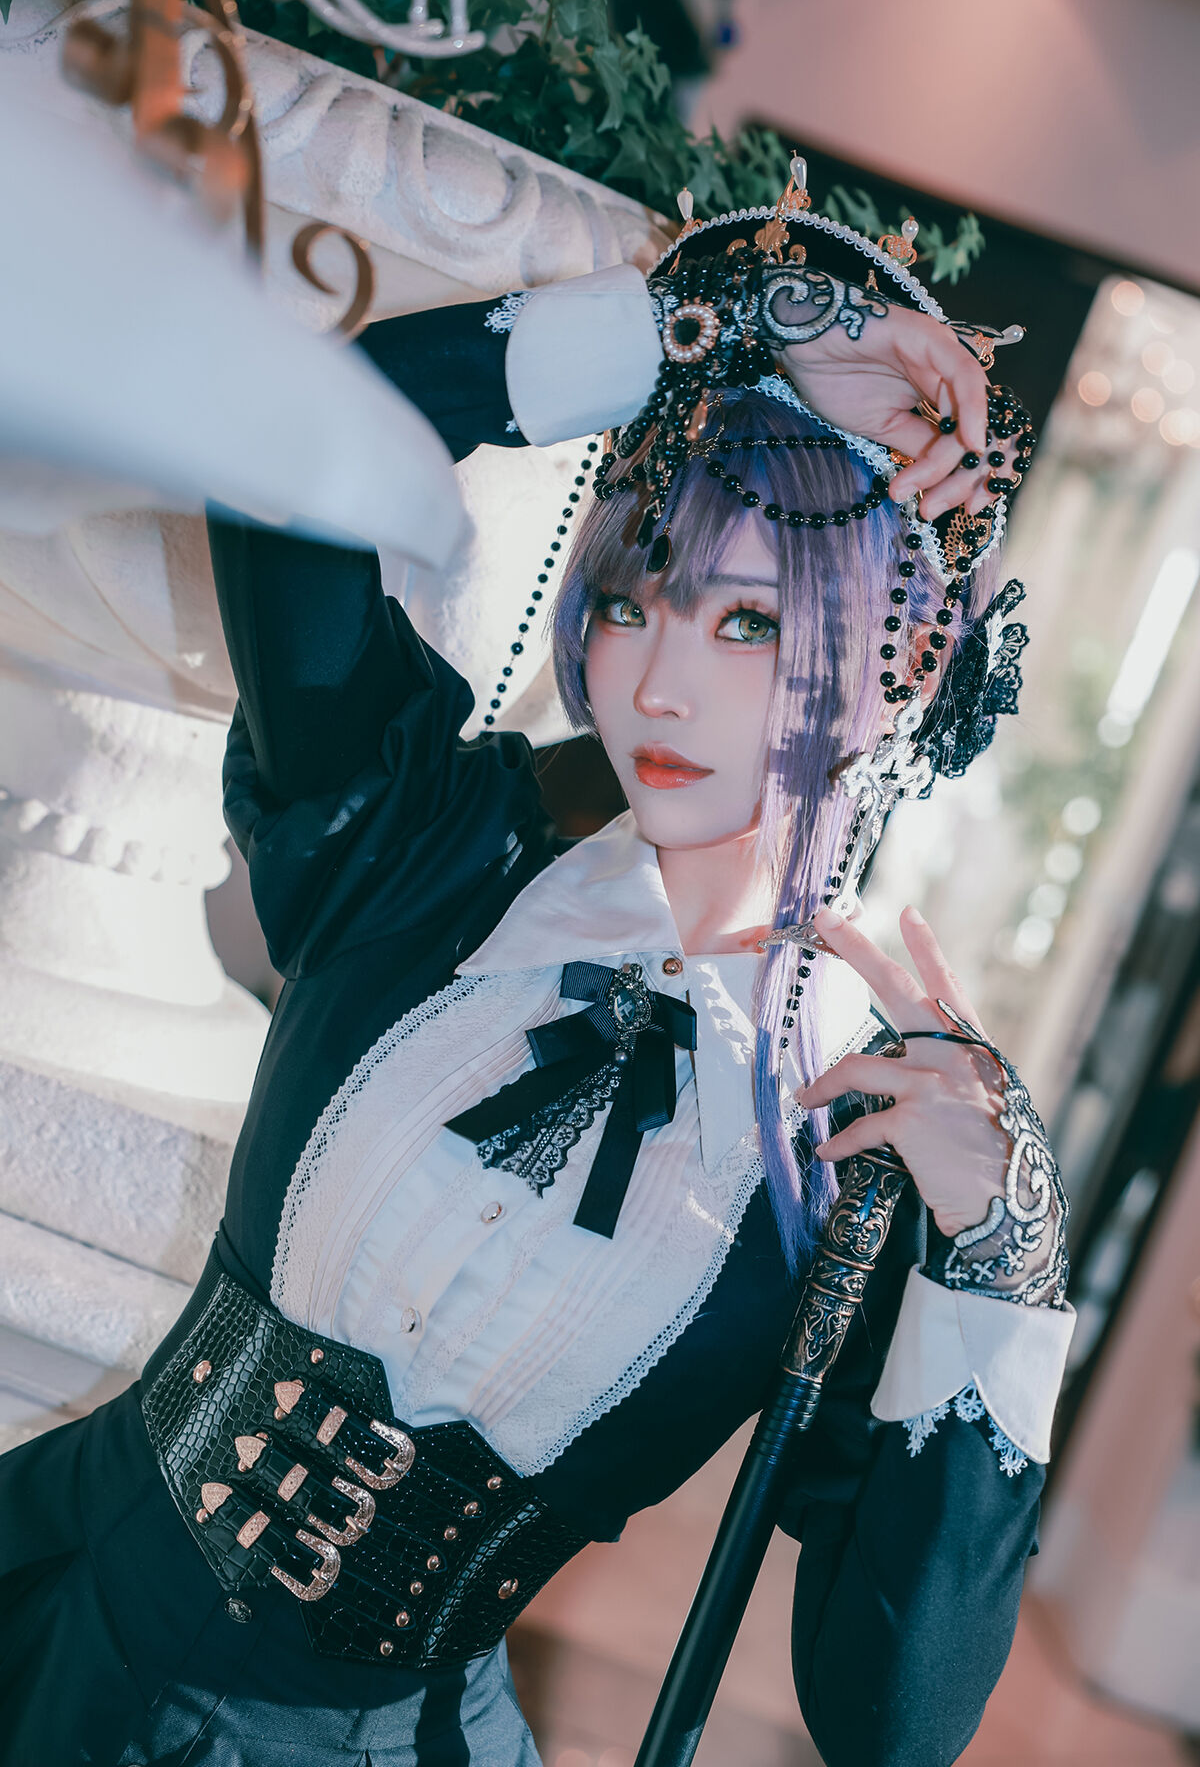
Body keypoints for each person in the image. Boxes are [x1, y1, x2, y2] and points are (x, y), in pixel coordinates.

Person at [0, 174, 1075, 1767]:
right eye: (633, 602)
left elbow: (892, 1722)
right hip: (49, 1610)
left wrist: (1003, 1255)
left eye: (747, 623)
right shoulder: (429, 857)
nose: (656, 679)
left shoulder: (866, 1143)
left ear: (882, 670)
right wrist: (707, 325)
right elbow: (290, 456)